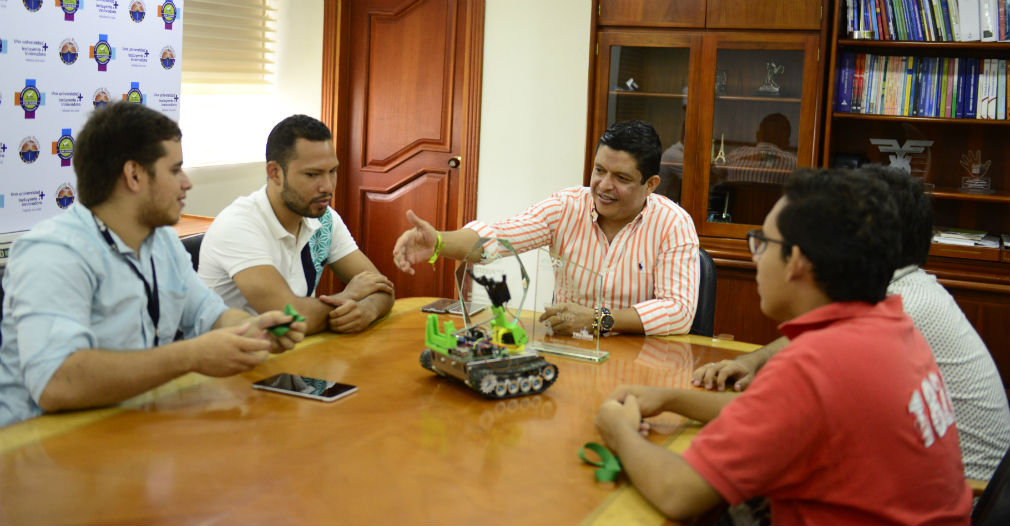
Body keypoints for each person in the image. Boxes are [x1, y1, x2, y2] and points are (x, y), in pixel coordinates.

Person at [594, 168, 971, 524]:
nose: (756, 258)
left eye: (762, 243)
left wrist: (619, 431)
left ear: (797, 263)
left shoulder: (816, 366)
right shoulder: (892, 324)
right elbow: (769, 411)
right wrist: (668, 398)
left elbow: (678, 492)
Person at [693, 165, 1010, 482]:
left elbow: (766, 415)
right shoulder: (907, 292)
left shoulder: (900, 309)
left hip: (967, 492)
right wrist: (754, 360)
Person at [0, 102, 306, 427]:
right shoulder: (54, 252)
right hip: (37, 445)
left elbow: (210, 315)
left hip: (127, 425)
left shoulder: (161, 242)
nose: (187, 183)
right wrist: (192, 356)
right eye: (175, 171)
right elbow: (56, 384)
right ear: (134, 175)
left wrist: (250, 331)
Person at [392, 120, 699, 336]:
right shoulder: (565, 207)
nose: (604, 186)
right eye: (599, 170)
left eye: (621, 178)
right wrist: (439, 242)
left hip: (640, 361)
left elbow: (679, 311)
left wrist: (597, 319)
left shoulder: (674, 224)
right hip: (566, 351)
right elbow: (500, 237)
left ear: (651, 185)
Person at [199, 115, 394, 335]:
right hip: (229, 361)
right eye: (312, 174)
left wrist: (367, 309)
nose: (328, 187)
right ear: (275, 173)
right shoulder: (238, 225)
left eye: (332, 171)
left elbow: (382, 289)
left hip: (295, 355)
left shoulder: (324, 219)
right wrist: (347, 298)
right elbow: (287, 320)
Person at [714, 113, 797, 186]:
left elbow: (714, 171)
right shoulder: (793, 162)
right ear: (786, 140)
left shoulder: (736, 154)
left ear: (758, 135)